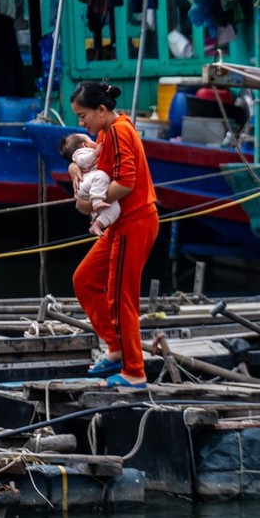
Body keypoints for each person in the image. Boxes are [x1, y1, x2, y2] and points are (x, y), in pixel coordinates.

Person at [69, 81, 159, 389]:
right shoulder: (107, 132)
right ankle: (115, 345)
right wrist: (73, 168)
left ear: (102, 110)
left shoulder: (120, 131)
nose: (82, 124)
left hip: (134, 222)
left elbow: (126, 182)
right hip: (120, 224)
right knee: (84, 279)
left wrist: (89, 201)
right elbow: (92, 157)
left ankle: (134, 369)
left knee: (122, 296)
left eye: (84, 116)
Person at [61, 132, 122, 235]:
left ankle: (97, 223)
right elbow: (82, 160)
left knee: (115, 209)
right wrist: (94, 153)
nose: (96, 143)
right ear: (84, 145)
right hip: (89, 183)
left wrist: (88, 206)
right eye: (91, 140)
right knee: (101, 176)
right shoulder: (82, 153)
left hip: (94, 187)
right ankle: (97, 202)